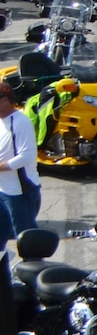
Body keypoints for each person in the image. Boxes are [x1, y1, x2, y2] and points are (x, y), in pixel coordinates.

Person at [0, 81, 43, 241]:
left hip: (20, 193)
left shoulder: (20, 122)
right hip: (3, 191)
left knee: (26, 239)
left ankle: (34, 264)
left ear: (5, 100)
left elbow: (27, 156)